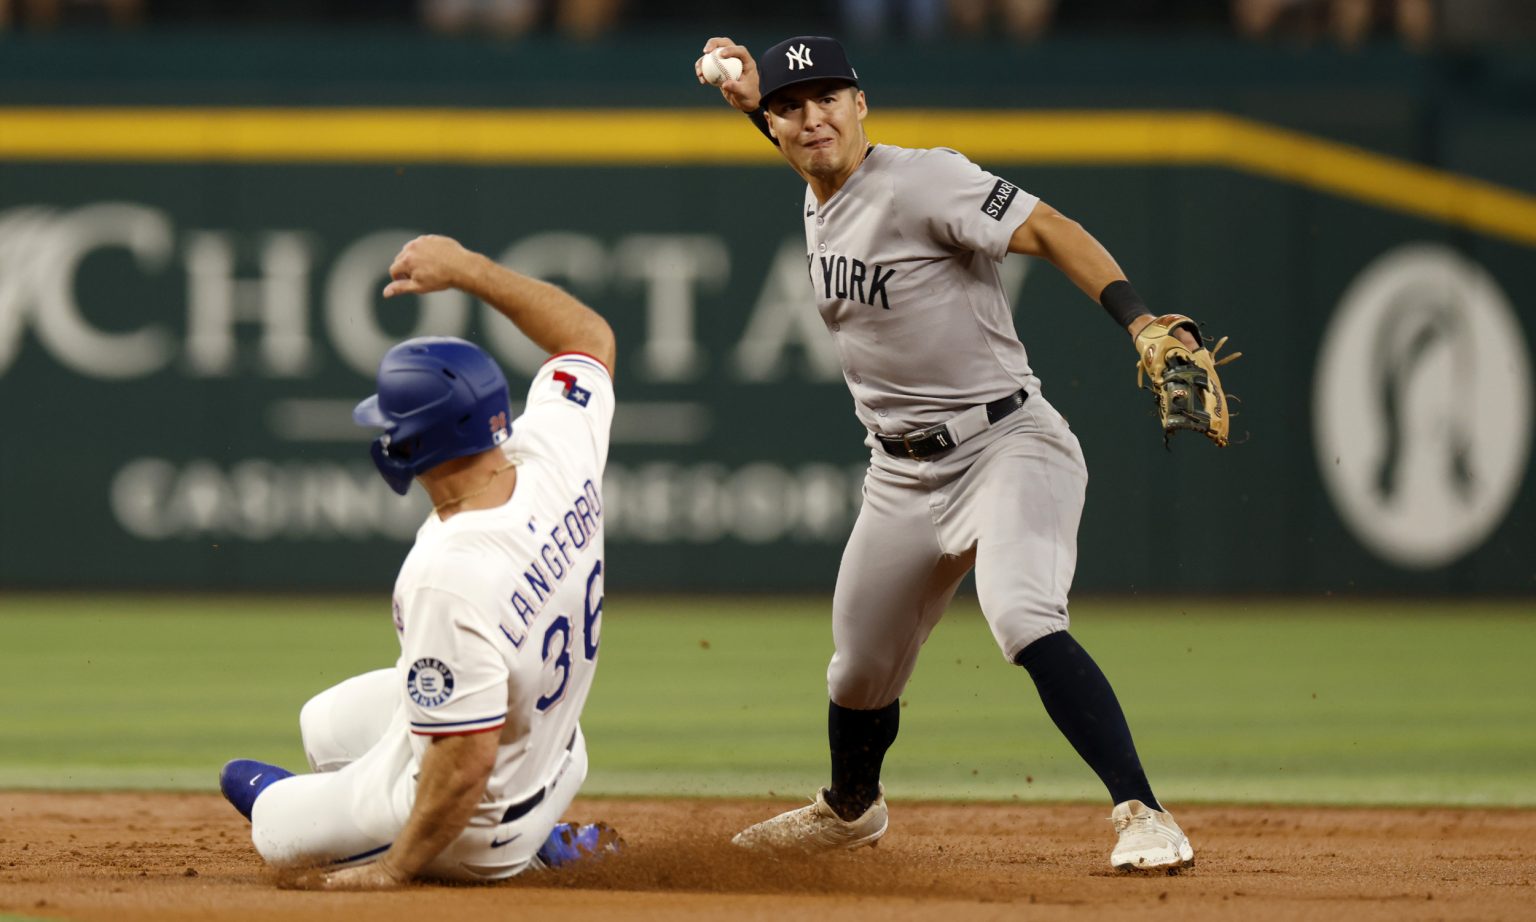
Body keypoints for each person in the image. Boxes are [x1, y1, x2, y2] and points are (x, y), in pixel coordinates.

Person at [696, 34, 1200, 873]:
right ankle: (850, 811)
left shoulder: (923, 177)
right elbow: (820, 160)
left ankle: (1144, 811)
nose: (812, 117)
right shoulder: (822, 180)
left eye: (829, 97)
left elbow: (1051, 228)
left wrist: (1140, 320)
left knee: (1022, 615)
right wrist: (758, 104)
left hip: (1007, 443)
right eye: (793, 106)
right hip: (899, 473)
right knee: (857, 670)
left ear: (862, 104)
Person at [218, 234, 619, 889]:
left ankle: (507, 842)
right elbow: (589, 336)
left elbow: (464, 765)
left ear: (410, 446)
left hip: (479, 830)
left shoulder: (448, 573)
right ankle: (541, 827)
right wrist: (469, 270)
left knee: (270, 820)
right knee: (324, 725)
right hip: (557, 750)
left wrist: (392, 870)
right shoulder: (555, 445)